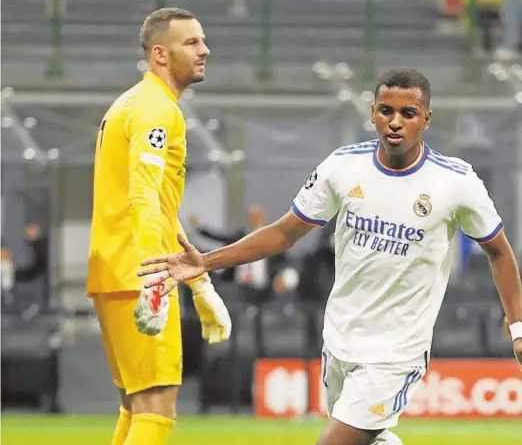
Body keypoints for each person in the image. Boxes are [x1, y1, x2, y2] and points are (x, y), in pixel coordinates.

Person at [137, 67, 522, 445]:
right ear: (372, 112)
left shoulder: (455, 182)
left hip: (397, 351)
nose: (395, 122)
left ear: (426, 119)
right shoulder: (342, 167)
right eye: (386, 110)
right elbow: (285, 232)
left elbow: (499, 252)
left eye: (408, 113)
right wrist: (205, 261)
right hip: (340, 338)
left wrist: (518, 327)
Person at [86, 8, 232, 445]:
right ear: (160, 54)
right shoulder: (156, 111)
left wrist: (202, 285)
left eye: (202, 40)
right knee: (156, 410)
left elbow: (161, 209)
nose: (204, 50)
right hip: (140, 275)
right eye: (191, 43)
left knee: (137, 407)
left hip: (115, 269)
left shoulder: (134, 103)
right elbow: (145, 199)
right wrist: (154, 284)